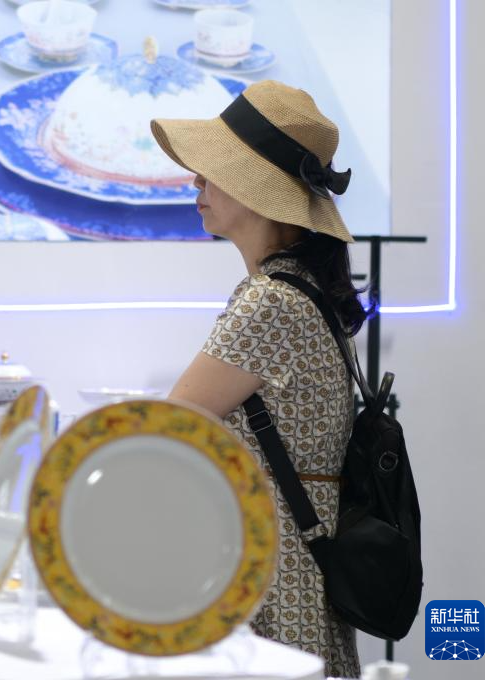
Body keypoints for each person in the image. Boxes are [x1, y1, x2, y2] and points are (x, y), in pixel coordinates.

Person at [150, 80, 364, 677]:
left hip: (270, 556)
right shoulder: (302, 288)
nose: (196, 182)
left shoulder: (270, 300)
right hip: (301, 548)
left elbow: (167, 426)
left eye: (212, 170)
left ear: (257, 188)